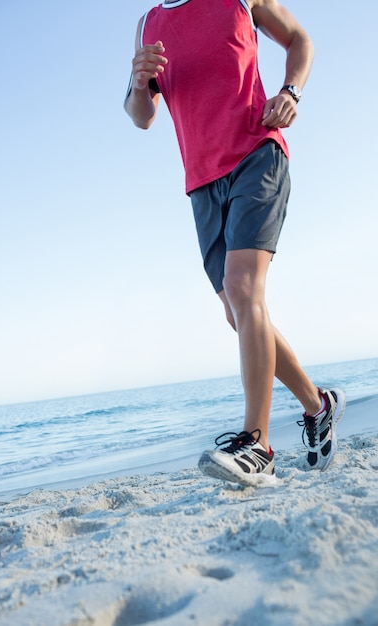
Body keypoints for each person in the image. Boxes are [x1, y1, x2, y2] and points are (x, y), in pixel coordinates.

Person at [124, 0, 345, 486]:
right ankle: (318, 405)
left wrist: (292, 91)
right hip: (202, 185)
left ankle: (257, 445)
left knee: (244, 291)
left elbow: (299, 39)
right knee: (238, 310)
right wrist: (139, 85)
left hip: (255, 154)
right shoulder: (147, 23)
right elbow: (141, 117)